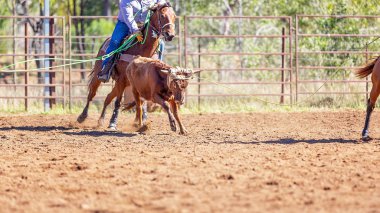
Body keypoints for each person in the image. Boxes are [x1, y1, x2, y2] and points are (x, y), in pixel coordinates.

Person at [98, 0, 167, 83]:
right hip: (125, 24)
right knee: (115, 42)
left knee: (160, 43)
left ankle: (158, 68)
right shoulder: (125, 1)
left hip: (146, 24)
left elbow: (162, 1)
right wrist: (136, 31)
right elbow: (129, 18)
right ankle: (106, 68)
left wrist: (159, 4)